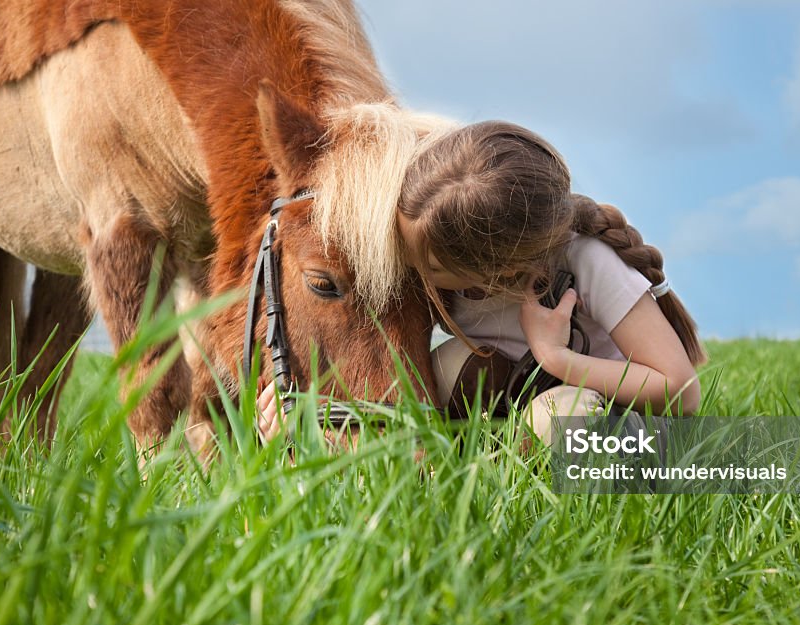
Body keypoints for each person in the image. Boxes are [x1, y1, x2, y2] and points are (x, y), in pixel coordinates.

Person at [258, 121, 706, 443]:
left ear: (499, 272)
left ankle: (507, 471)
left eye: (426, 265)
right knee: (444, 368)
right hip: (514, 394)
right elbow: (375, 358)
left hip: (611, 406)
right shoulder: (440, 269)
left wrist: (557, 357)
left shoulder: (588, 263)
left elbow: (680, 391)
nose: (411, 270)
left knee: (562, 420)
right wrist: (308, 407)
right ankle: (455, 461)